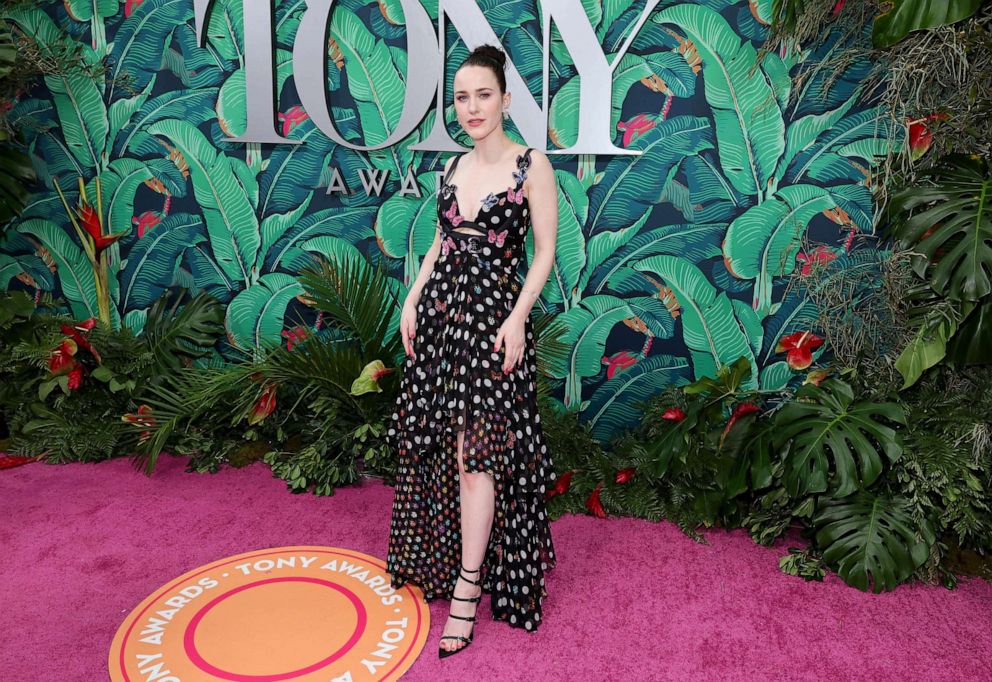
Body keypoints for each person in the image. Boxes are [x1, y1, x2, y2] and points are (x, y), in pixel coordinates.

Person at [384, 43, 559, 658]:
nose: (472, 106)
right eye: (462, 97)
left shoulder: (531, 165)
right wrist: (411, 298)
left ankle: (466, 590)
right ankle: (450, 564)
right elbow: (440, 244)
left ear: (506, 99)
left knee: (474, 455)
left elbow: (543, 252)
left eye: (483, 94)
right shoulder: (453, 169)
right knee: (441, 446)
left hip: (492, 326)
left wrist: (517, 319)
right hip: (439, 324)